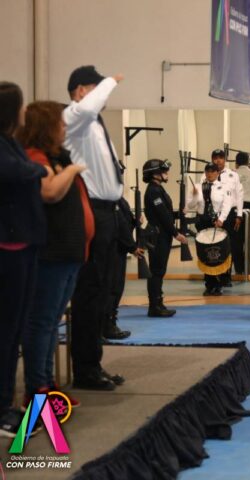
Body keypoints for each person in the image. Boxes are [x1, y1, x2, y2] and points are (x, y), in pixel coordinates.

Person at [18, 100, 94, 408]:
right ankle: (37, 390)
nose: (65, 128)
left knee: (50, 324)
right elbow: (48, 192)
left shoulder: (56, 156)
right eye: (60, 124)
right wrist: (73, 169)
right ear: (47, 127)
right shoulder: (35, 157)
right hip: (52, 253)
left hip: (68, 252)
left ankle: (46, 384)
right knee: (43, 322)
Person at [64, 66, 125, 391]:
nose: (102, 94)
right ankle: (85, 368)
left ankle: (94, 362)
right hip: (92, 211)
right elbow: (87, 108)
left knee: (103, 290)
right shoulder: (75, 117)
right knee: (89, 292)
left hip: (109, 213)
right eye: (95, 87)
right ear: (80, 91)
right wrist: (110, 82)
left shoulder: (95, 124)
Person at [0, 82, 47, 437]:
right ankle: (2, 408)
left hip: (25, 244)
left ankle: (7, 401)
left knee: (14, 330)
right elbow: (20, 171)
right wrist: (40, 171)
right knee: (6, 331)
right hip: (8, 248)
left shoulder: (11, 143)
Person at [143, 159, 188, 315]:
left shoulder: (158, 189)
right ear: (155, 174)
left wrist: (178, 214)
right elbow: (162, 215)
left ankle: (158, 303)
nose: (167, 173)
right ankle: (154, 306)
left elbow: (165, 212)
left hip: (162, 234)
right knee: (156, 271)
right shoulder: (153, 191)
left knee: (159, 270)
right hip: (158, 235)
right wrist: (176, 233)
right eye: (164, 171)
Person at [187, 163, 232, 295]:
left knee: (218, 253)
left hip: (217, 222)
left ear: (217, 173)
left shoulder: (224, 187)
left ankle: (220, 283)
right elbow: (190, 205)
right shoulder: (197, 186)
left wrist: (221, 219)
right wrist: (195, 196)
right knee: (206, 254)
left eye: (213, 171)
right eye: (207, 171)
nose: (210, 174)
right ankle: (209, 284)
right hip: (203, 222)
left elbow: (227, 205)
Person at [103, 197, 143, 339]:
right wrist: (132, 247)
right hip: (113, 249)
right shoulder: (111, 198)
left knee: (116, 288)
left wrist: (135, 221)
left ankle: (109, 322)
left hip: (119, 249)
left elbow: (125, 222)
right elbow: (120, 226)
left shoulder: (119, 199)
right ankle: (107, 325)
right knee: (113, 288)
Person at [211, 149, 244, 281]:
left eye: (220, 158)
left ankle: (227, 275)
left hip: (230, 214)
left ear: (225, 160)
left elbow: (239, 195)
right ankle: (213, 276)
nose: (218, 160)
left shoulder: (233, 175)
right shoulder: (206, 175)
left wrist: (239, 215)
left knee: (230, 245)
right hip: (213, 214)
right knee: (214, 246)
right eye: (215, 158)